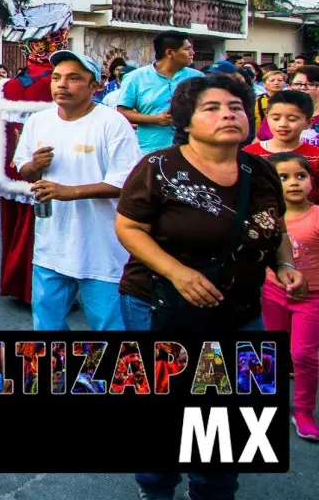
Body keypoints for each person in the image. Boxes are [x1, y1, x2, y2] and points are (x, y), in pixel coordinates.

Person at [114, 73, 306, 500]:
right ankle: (156, 488)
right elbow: (128, 228)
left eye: (236, 107)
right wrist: (178, 272)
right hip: (161, 305)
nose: (228, 115)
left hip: (241, 312)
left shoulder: (260, 170)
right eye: (213, 108)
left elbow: (274, 227)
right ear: (186, 120)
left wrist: (284, 264)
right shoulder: (158, 167)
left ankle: (214, 489)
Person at [0, 0, 77, 307]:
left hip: (14, 174)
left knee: (20, 227)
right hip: (52, 172)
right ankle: (46, 292)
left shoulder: (10, 85)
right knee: (53, 233)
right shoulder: (62, 84)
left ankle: (20, 284)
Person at [13, 51, 141, 331]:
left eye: (73, 78)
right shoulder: (39, 121)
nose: (62, 84)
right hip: (51, 245)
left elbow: (127, 183)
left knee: (109, 327)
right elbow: (25, 169)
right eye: (56, 77)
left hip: (101, 249)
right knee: (47, 326)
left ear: (94, 86)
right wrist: (35, 165)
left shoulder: (111, 122)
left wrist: (68, 192)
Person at [262, 152, 319, 440]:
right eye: (283, 177)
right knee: (269, 351)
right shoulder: (266, 217)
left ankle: (304, 410)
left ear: (312, 181)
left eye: (301, 176)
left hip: (312, 299)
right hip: (273, 293)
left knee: (303, 355)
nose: (294, 182)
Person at [116, 30, 204, 154]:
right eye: (187, 49)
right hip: (150, 151)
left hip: (192, 150)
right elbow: (122, 112)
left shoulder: (198, 78)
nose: (192, 53)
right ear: (170, 53)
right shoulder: (135, 78)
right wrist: (156, 119)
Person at [244, 90, 319, 202]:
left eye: (292, 119)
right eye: (276, 118)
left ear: (309, 123)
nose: (282, 124)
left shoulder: (316, 156)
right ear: (267, 118)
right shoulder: (249, 154)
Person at [255, 69, 287, 139]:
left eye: (280, 80)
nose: (276, 83)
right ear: (264, 85)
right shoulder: (258, 100)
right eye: (272, 80)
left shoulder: (290, 100)